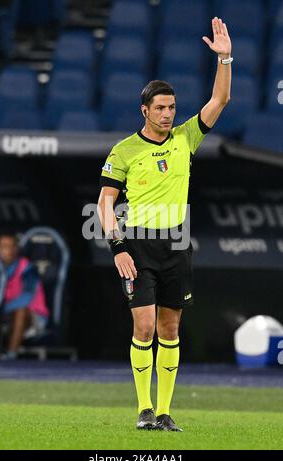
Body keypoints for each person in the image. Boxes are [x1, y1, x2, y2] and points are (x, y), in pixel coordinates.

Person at [98, 18, 232, 431]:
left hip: (177, 243)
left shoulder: (185, 137)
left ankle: (166, 411)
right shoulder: (124, 150)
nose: (168, 114)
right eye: (161, 108)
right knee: (144, 324)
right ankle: (143, 409)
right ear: (145, 110)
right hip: (138, 244)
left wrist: (225, 57)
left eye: (172, 107)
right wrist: (118, 247)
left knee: (170, 327)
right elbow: (104, 203)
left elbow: (220, 100)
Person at [0, 231, 49, 360]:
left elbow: (27, 297)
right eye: (1, 247)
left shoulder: (27, 268)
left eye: (7, 246)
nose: (3, 251)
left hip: (34, 318)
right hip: (5, 315)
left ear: (15, 249)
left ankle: (11, 355)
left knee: (20, 311)